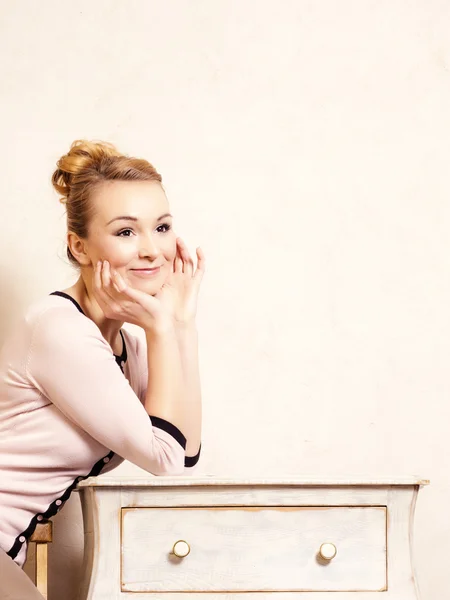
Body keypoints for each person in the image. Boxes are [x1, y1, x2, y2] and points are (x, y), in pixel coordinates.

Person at [0, 140, 205, 599]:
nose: (152, 250)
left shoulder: (129, 344)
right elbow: (166, 458)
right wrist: (161, 325)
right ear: (80, 245)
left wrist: (180, 323)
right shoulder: (59, 330)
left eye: (162, 227)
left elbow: (184, 451)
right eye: (126, 232)